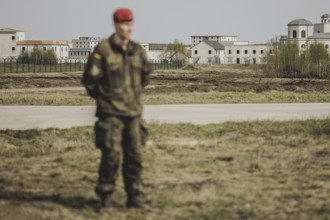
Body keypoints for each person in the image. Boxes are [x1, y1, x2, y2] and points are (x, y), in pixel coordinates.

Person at [82, 8, 151, 211]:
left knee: (135, 157)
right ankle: (106, 198)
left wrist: (131, 96)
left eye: (130, 24)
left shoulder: (138, 51)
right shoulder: (103, 50)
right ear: (115, 25)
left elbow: (145, 77)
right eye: (123, 24)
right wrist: (106, 100)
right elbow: (90, 81)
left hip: (133, 114)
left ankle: (135, 198)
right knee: (110, 157)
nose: (127, 28)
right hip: (110, 115)